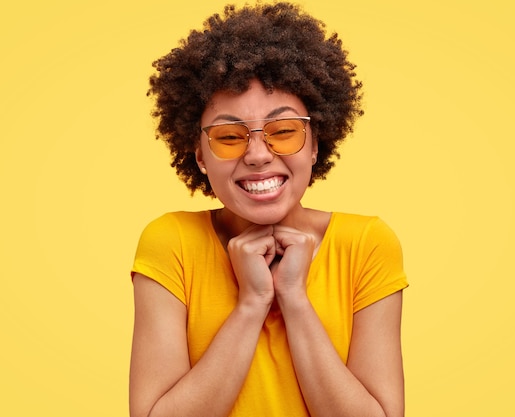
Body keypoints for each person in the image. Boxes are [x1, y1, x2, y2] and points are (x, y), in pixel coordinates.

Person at [129, 3, 409, 416]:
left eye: (283, 131)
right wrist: (252, 303)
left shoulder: (367, 244)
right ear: (200, 156)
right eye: (228, 136)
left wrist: (294, 298)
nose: (258, 154)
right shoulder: (170, 243)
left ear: (315, 143)